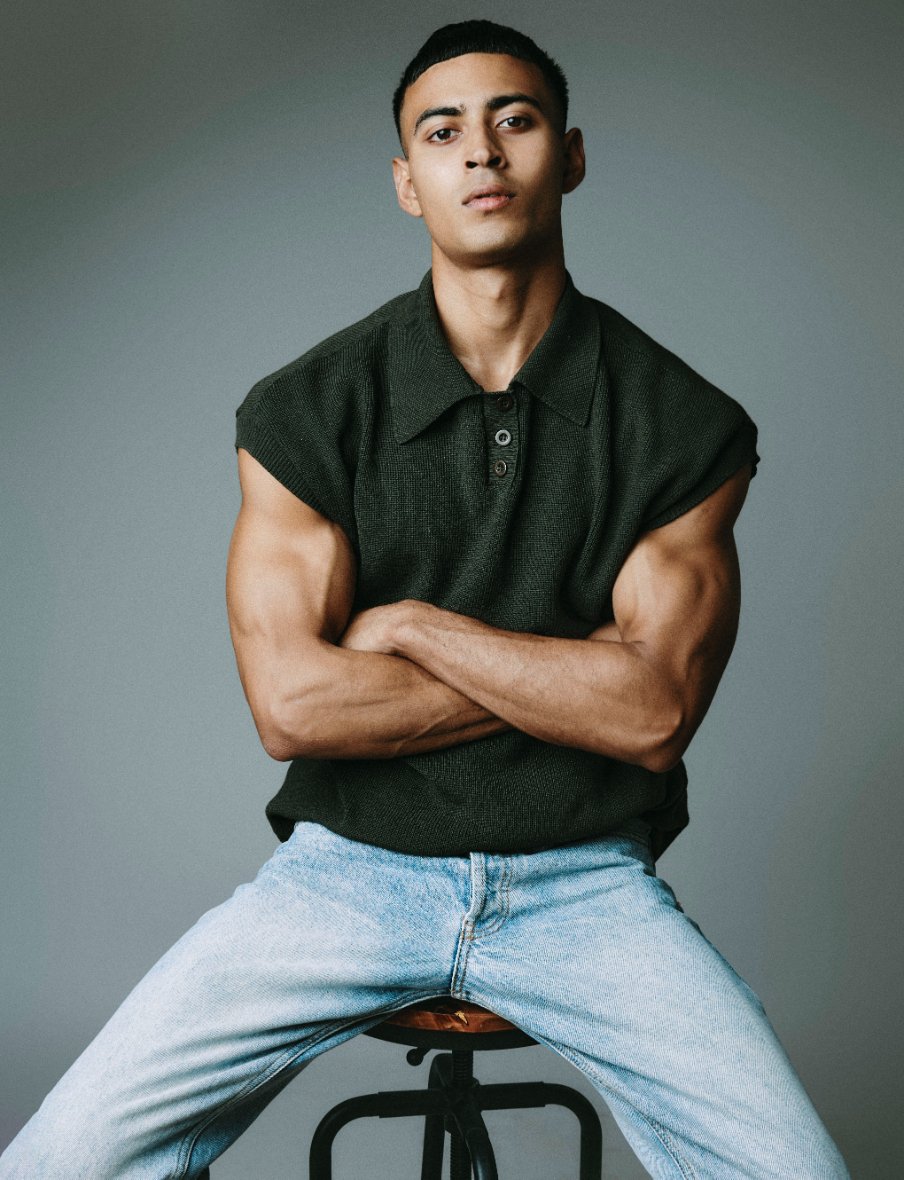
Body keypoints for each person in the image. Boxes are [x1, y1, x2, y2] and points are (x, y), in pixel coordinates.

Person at [0, 19, 851, 1179]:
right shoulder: (306, 410)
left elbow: (652, 715)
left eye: (516, 120)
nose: (481, 152)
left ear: (569, 155)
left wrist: (412, 627)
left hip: (583, 881)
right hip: (349, 872)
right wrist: (574, 672)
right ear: (408, 182)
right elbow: (294, 708)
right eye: (443, 132)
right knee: (60, 1159)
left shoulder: (682, 424)